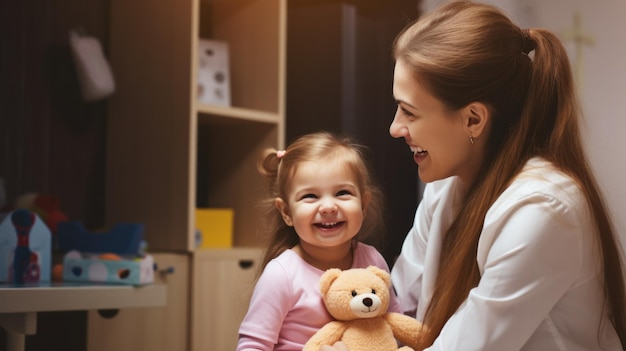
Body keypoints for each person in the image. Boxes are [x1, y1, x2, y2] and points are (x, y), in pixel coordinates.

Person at [327, 0, 626, 350]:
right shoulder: (446, 190)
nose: (395, 128)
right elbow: (397, 308)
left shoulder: (544, 210)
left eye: (409, 112)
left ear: (473, 119)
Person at [236, 131, 403, 351]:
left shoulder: (372, 260)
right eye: (310, 196)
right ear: (286, 212)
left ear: (363, 204)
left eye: (342, 192)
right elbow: (252, 346)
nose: (328, 207)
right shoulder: (281, 275)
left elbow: (394, 323)